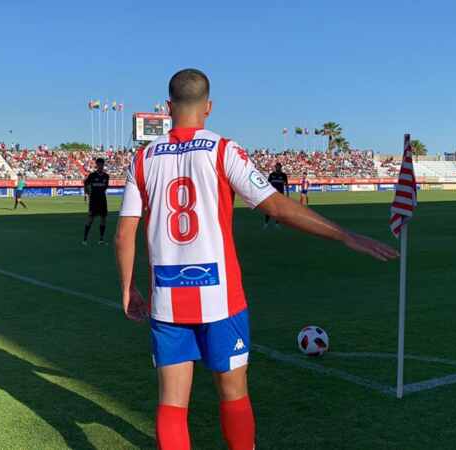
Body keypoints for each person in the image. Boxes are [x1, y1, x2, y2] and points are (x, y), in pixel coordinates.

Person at [114, 68, 398, 450]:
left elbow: (123, 233)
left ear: (168, 107)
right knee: (232, 395)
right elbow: (277, 207)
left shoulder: (143, 158)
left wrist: (128, 288)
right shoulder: (222, 150)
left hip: (167, 297)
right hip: (221, 298)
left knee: (172, 405)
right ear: (209, 106)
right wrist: (345, 236)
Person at [82, 158, 110, 245]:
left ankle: (101, 239)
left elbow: (105, 187)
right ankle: (85, 239)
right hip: (93, 200)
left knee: (103, 218)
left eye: (102, 164)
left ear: (103, 165)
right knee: (90, 219)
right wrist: (86, 193)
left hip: (102, 200)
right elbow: (85, 183)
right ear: (96, 165)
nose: (100, 166)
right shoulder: (92, 175)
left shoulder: (106, 176)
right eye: (99, 164)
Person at [264, 162, 288, 228]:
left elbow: (286, 185)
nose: (278, 167)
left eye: (279, 166)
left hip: (280, 195)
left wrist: (288, 195)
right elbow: (267, 184)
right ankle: (266, 223)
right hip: (272, 194)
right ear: (275, 167)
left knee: (278, 210)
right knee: (269, 209)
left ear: (281, 167)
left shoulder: (284, 175)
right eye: (276, 166)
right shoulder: (271, 175)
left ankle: (277, 223)